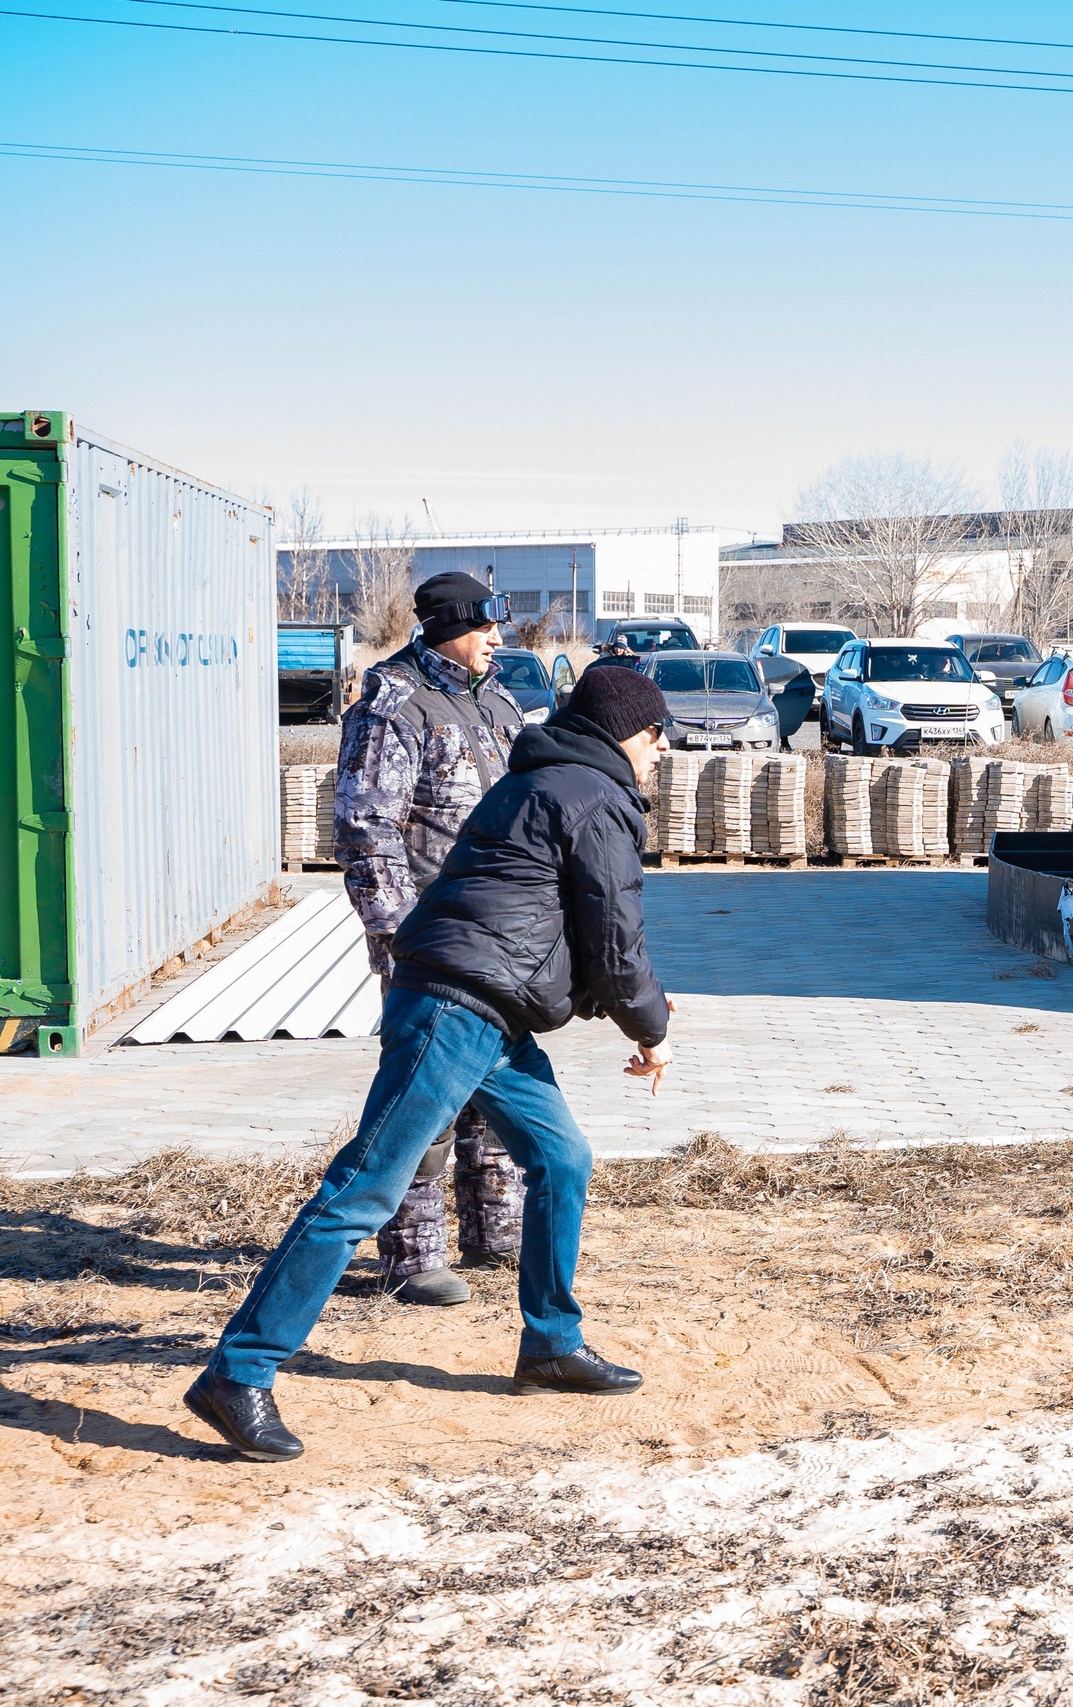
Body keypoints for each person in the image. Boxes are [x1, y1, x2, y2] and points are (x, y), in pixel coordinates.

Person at [186, 664, 678, 1461]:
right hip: (457, 1007)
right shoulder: (592, 796)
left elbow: (556, 924)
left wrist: (619, 1000)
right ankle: (237, 1372)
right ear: (629, 731)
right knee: (363, 1190)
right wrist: (651, 1029)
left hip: (488, 1009)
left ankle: (551, 1342)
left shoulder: (544, 781)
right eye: (658, 735)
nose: (661, 751)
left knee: (562, 1158)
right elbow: (616, 940)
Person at [335, 572, 529, 1307]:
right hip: (429, 940)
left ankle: (495, 1232)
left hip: (500, 937)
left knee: (495, 1082)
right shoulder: (395, 703)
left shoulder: (498, 702)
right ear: (449, 627)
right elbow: (364, 827)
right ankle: (413, 1257)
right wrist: (397, 934)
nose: (498, 639)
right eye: (485, 626)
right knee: (427, 1094)